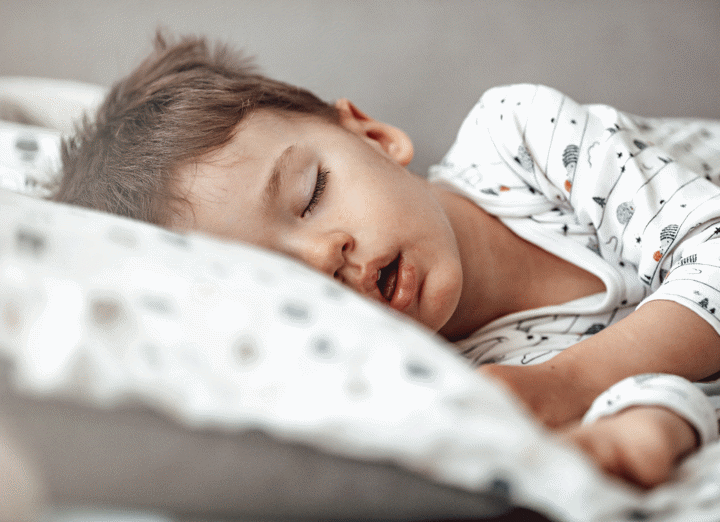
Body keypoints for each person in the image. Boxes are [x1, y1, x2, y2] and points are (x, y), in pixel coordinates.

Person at [54, 32, 720, 488]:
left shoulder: (522, 140)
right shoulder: (463, 373)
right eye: (280, 279)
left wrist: (566, 385)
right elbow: (664, 376)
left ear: (373, 136)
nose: (323, 259)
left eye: (311, 195)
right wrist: (643, 426)